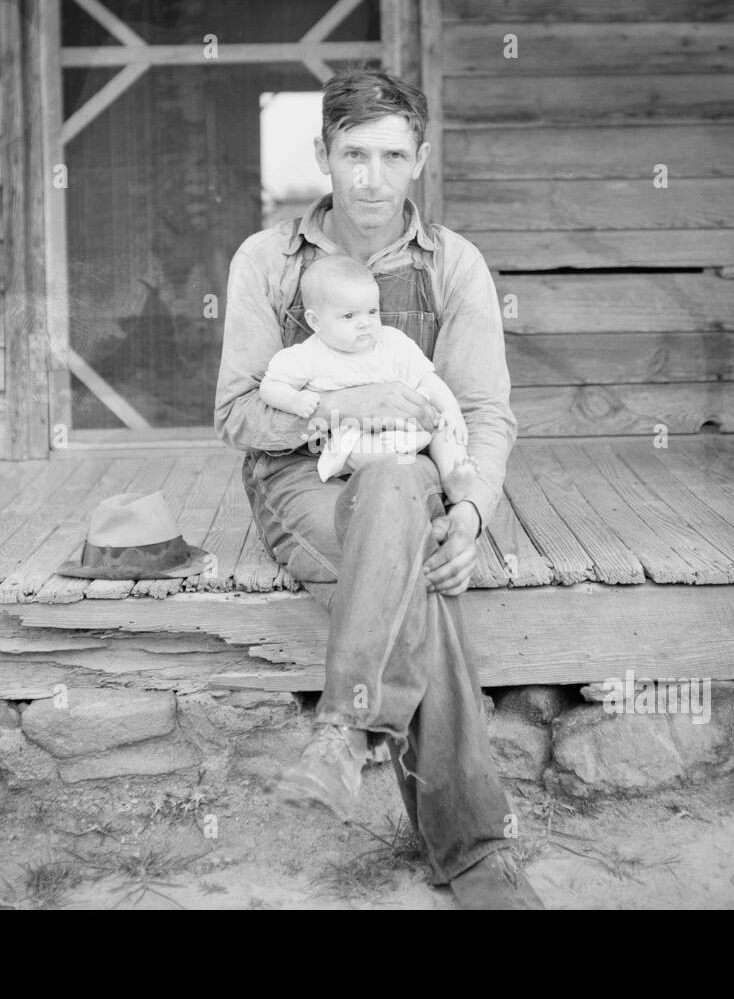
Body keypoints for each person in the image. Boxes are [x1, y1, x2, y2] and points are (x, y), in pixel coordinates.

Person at [214, 68, 542, 909]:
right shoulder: (268, 262)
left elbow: (482, 413)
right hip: (305, 484)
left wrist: (469, 512)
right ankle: (473, 853)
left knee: (399, 484)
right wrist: (342, 406)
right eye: (353, 153)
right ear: (323, 155)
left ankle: (341, 731)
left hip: (416, 483)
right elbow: (237, 415)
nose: (371, 178)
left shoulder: (453, 267)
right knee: (412, 581)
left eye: (392, 156)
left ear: (420, 160)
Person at [257, 252, 480, 500]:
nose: (365, 323)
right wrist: (294, 400)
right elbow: (270, 386)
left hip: (413, 423)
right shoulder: (308, 356)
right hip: (358, 433)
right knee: (363, 451)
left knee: (446, 433)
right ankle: (394, 472)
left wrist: (452, 410)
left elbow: (427, 378)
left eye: (372, 311)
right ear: (315, 322)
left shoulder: (392, 342)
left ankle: (454, 478)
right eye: (349, 316)